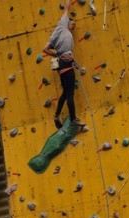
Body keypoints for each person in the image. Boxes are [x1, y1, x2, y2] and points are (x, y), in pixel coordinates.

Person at [43, 0, 83, 129]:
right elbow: (66, 8)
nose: (74, 27)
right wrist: (61, 56)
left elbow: (45, 49)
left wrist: (57, 56)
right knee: (70, 93)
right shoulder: (63, 24)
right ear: (69, 23)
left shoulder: (55, 34)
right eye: (74, 25)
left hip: (62, 63)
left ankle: (56, 115)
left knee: (66, 92)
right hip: (66, 64)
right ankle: (73, 119)